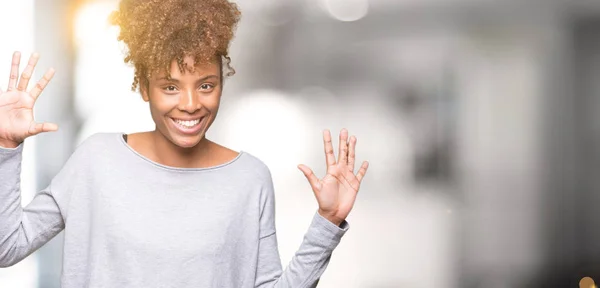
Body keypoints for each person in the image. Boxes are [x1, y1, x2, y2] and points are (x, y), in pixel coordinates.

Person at [0, 0, 369, 287]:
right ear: (144, 87)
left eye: (205, 85)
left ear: (223, 82)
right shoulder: (95, 161)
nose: (191, 103)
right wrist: (6, 147)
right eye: (170, 86)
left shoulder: (250, 179)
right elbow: (7, 246)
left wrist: (327, 222)